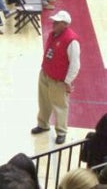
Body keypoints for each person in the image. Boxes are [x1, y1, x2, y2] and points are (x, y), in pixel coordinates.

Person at [31, 10, 80, 145]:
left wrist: (68, 81)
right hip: (45, 74)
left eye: (57, 22)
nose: (53, 23)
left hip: (59, 80)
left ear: (65, 24)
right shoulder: (53, 34)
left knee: (60, 106)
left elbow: (75, 64)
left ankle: (61, 132)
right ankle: (43, 124)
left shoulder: (72, 41)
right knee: (43, 102)